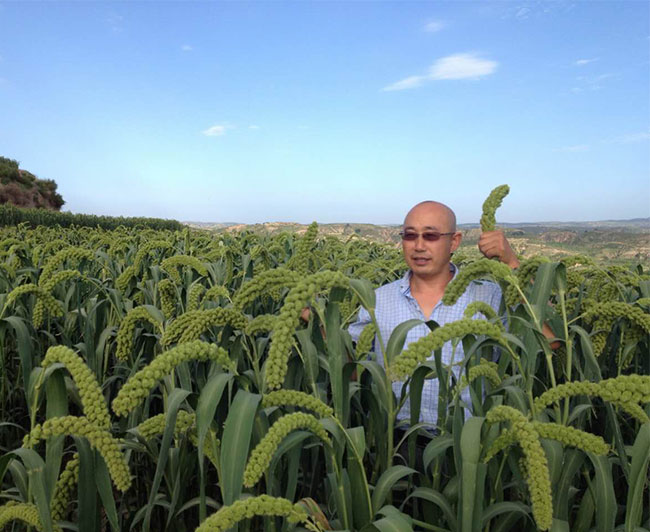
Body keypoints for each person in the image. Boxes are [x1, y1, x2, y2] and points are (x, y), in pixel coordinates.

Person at [348, 200, 521, 429]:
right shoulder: (376, 301)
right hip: (392, 443)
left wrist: (511, 262)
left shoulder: (490, 297)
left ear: (454, 241)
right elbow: (352, 364)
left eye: (430, 236)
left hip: (467, 443)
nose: (419, 246)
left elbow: (548, 340)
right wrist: (317, 324)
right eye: (410, 236)